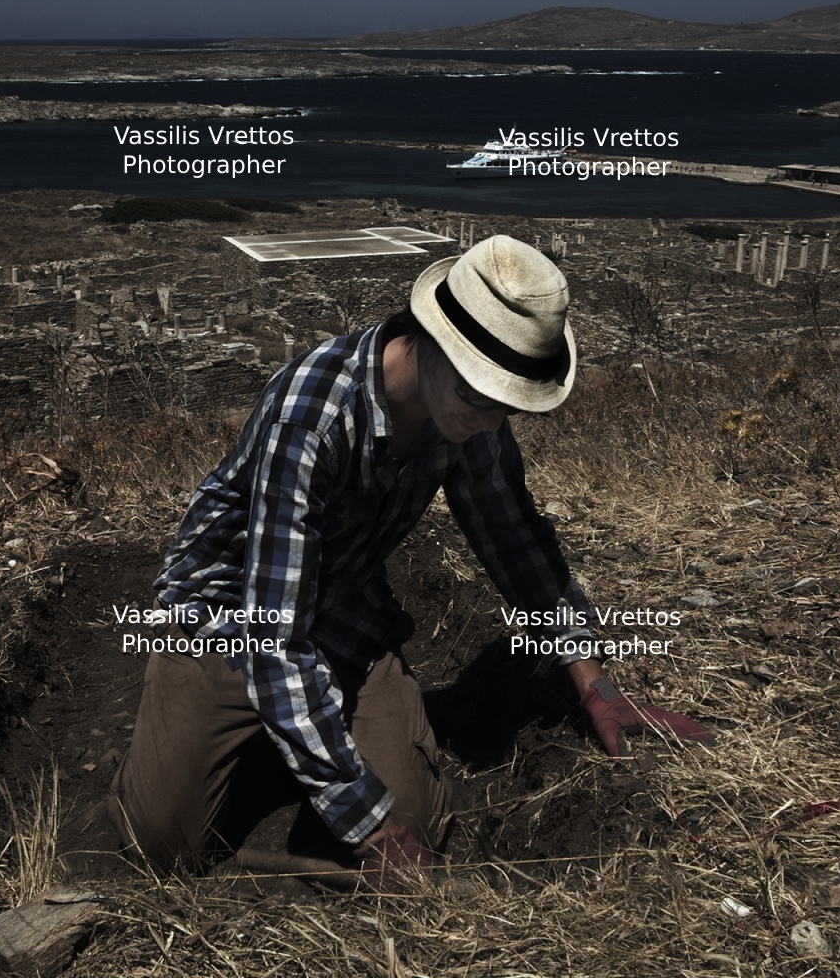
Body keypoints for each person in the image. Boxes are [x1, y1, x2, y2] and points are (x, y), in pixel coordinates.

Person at [108, 235, 711, 888]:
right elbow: (273, 637)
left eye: (506, 403)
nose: (492, 421)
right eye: (481, 396)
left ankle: (297, 746)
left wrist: (594, 685)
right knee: (161, 845)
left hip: (343, 607)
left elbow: (514, 540)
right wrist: (370, 829)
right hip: (229, 614)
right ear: (431, 338)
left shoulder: (467, 410)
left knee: (417, 822)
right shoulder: (310, 418)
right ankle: (251, 746)